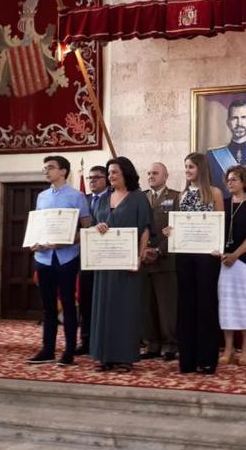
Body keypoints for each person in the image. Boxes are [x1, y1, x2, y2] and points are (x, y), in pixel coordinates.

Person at [89, 156, 153, 373]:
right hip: (104, 265)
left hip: (127, 265)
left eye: (114, 172)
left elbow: (145, 229)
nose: (110, 176)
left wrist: (139, 256)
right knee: (103, 309)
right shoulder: (104, 198)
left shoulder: (138, 198)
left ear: (125, 173)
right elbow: (95, 224)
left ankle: (124, 357)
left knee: (125, 309)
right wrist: (98, 227)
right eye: (108, 173)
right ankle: (104, 356)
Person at [27, 155, 90, 366]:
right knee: (48, 307)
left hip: (67, 257)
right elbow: (39, 226)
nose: (46, 171)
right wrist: (34, 242)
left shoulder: (77, 196)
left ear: (63, 171)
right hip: (43, 257)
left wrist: (68, 241)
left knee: (69, 305)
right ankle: (47, 350)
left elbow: (86, 228)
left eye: (51, 168)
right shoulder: (42, 196)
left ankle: (69, 352)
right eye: (45, 168)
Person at [166, 152, 224, 375]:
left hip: (208, 258)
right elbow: (179, 225)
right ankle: (187, 360)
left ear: (200, 168)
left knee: (206, 307)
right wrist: (171, 231)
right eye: (185, 167)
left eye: (190, 167)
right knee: (187, 306)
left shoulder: (215, 193)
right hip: (185, 256)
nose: (187, 171)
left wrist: (217, 247)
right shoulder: (181, 196)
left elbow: (220, 223)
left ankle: (207, 359)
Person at [218, 165, 246, 366]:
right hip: (222, 260)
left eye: (234, 179)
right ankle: (229, 348)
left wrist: (235, 255)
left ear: (244, 182)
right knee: (225, 304)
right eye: (228, 179)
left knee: (243, 302)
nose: (230, 182)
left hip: (243, 260)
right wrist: (222, 254)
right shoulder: (222, 204)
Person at [140, 162, 180, 362]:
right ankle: (152, 344)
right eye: (148, 173)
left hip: (165, 261)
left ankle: (171, 344)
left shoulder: (175, 197)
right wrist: (143, 251)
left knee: (167, 307)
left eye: (155, 173)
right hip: (144, 260)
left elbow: (178, 227)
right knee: (148, 307)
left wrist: (158, 250)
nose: (151, 176)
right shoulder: (140, 197)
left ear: (165, 176)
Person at [77, 165, 109, 355]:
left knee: (103, 300)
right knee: (86, 300)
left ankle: (103, 340)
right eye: (89, 178)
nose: (92, 181)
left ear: (105, 179)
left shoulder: (112, 199)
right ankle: (86, 340)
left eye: (96, 177)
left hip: (105, 257)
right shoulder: (84, 199)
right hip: (86, 257)